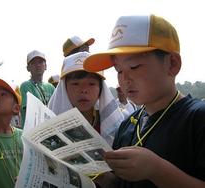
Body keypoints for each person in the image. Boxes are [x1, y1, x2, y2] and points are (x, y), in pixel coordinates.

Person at [83, 15, 205, 188]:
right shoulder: (127, 126)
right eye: (118, 71)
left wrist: (157, 170)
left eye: (134, 67)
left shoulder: (197, 119)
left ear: (172, 64)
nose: (124, 79)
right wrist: (101, 177)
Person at [48, 52, 125, 146]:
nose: (84, 90)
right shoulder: (49, 123)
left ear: (101, 89)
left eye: (91, 84)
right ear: (64, 89)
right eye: (75, 84)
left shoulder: (113, 125)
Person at [20, 50, 55, 129]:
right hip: (33, 132)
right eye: (33, 63)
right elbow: (30, 113)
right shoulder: (25, 86)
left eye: (40, 62)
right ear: (28, 68)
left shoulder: (51, 87)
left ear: (46, 66)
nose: (37, 65)